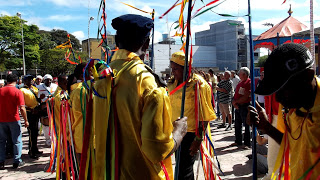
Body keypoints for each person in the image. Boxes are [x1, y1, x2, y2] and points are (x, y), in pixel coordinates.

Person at [93, 14, 187, 180]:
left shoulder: (102, 76)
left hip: (105, 173)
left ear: (116, 40)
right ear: (147, 43)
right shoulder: (146, 81)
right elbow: (156, 149)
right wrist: (178, 133)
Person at [247, 43, 320, 179]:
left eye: (283, 90)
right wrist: (266, 127)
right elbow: (293, 145)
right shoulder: (289, 107)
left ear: (308, 76)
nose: (279, 100)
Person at [168, 51, 216, 180]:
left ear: (186, 69)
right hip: (174, 131)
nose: (173, 72)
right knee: (180, 168)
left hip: (190, 133)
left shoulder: (199, 85)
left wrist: (198, 140)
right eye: (172, 69)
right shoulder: (172, 82)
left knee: (184, 171)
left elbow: (205, 115)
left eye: (176, 69)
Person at [0, 74, 28, 169]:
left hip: (1, 120)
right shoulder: (17, 91)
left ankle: (1, 161)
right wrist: (26, 120)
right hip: (14, 119)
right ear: (16, 81)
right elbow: (22, 108)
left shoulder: (0, 90)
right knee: (16, 140)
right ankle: (17, 161)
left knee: (1, 141)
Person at [69, 63, 87, 164]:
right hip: (84, 133)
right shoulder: (81, 90)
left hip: (82, 134)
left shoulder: (76, 90)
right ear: (82, 75)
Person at [20, 75, 42, 159]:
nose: (31, 81)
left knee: (36, 132)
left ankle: (35, 148)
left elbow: (38, 99)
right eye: (28, 80)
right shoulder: (22, 90)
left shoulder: (35, 89)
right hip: (29, 113)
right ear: (25, 81)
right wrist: (29, 108)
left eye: (31, 80)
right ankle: (31, 151)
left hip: (36, 112)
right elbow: (21, 104)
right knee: (31, 132)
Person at [232, 67, 251, 148]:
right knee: (237, 124)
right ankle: (238, 141)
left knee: (247, 125)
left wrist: (236, 102)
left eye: (240, 73)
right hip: (238, 106)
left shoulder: (248, 83)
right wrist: (234, 103)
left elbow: (245, 96)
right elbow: (236, 94)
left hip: (245, 106)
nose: (238, 74)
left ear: (244, 74)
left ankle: (247, 143)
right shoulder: (240, 82)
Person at [37, 74, 58, 146]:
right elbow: (37, 98)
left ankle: (53, 138)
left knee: (54, 123)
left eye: (50, 80)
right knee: (46, 124)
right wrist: (40, 99)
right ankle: (47, 139)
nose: (48, 81)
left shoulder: (55, 86)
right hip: (44, 108)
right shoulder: (39, 87)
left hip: (54, 107)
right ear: (44, 80)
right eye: (47, 80)